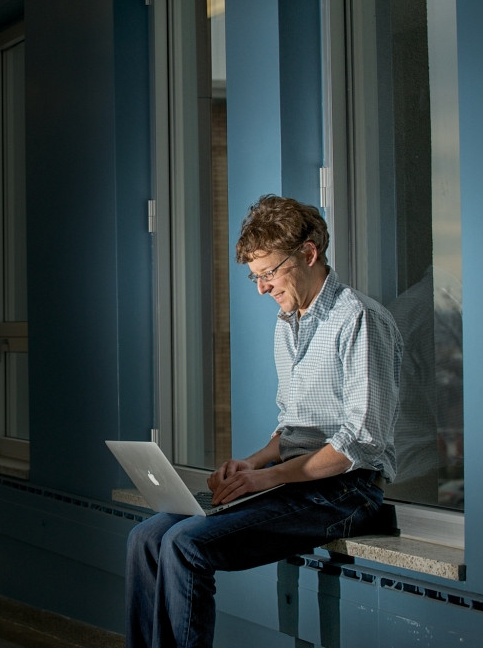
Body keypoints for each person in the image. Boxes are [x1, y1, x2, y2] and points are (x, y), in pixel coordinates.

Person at [124, 194, 402, 648]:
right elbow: (291, 427)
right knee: (145, 537)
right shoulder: (288, 322)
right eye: (255, 277)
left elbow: (361, 442)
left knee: (185, 544)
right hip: (295, 481)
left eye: (268, 273)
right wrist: (252, 465)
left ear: (308, 253)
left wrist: (268, 477)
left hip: (347, 491)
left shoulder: (360, 319)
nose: (261, 288)